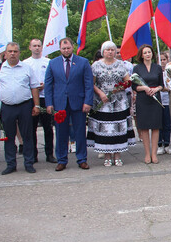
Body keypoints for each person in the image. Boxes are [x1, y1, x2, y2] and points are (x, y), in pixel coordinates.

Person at [44, 38, 94, 171]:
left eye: (68, 48)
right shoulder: (53, 63)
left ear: (72, 47)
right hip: (59, 103)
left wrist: (88, 102)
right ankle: (61, 160)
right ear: (60, 49)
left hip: (78, 102)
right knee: (61, 133)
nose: (66, 50)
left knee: (80, 132)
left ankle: (82, 159)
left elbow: (89, 84)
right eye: (63, 48)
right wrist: (49, 103)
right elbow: (48, 85)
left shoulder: (83, 62)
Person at [0, 42, 41, 174]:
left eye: (15, 51)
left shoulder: (26, 68)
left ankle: (29, 162)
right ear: (5, 53)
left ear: (19, 53)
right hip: (7, 107)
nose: (12, 53)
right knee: (9, 136)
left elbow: (34, 87)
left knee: (27, 135)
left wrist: (36, 105)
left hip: (25, 105)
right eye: (10, 51)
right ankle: (11, 164)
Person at [87, 41, 135, 167]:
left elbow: (128, 82)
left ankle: (118, 155)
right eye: (107, 50)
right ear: (103, 52)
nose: (110, 52)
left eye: (112, 50)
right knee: (105, 129)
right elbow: (91, 83)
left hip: (118, 102)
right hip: (102, 102)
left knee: (118, 128)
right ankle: (107, 156)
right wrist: (101, 93)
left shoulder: (121, 65)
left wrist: (119, 88)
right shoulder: (96, 65)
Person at [133, 44, 165, 164]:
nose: (147, 54)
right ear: (141, 55)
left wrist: (156, 89)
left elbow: (162, 84)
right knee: (145, 127)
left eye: (149, 52)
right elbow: (134, 86)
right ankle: (147, 154)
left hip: (155, 98)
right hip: (143, 99)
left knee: (156, 126)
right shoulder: (137, 68)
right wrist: (145, 88)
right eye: (145, 52)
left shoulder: (157, 68)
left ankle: (154, 154)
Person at [24, 38, 55, 163]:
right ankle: (33, 155)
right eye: (34, 45)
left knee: (48, 128)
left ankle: (49, 154)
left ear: (42, 47)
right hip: (31, 99)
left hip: (46, 98)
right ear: (30, 47)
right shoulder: (25, 63)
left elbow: (54, 80)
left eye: (39, 45)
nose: (37, 48)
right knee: (31, 129)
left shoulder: (49, 62)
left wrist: (45, 85)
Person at [157, 50, 171, 155]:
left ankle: (167, 144)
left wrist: (166, 88)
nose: (162, 62)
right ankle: (159, 144)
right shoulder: (156, 71)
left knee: (167, 123)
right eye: (160, 60)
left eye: (164, 59)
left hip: (168, 100)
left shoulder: (170, 71)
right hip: (157, 100)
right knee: (159, 124)